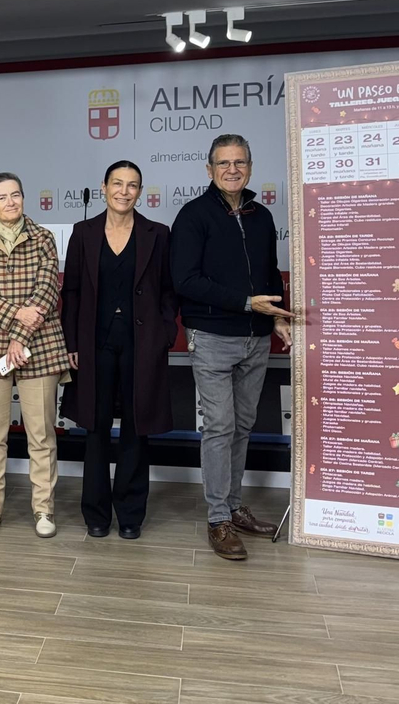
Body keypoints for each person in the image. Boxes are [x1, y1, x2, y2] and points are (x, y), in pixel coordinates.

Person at [170, 134, 290, 561]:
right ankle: (218, 519)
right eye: (223, 163)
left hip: (257, 337)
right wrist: (243, 303)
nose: (232, 169)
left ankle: (235, 506)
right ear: (209, 170)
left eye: (240, 162)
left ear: (251, 167)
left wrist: (276, 316)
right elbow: (184, 280)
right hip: (213, 337)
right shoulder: (193, 215)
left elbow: (270, 275)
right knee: (219, 427)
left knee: (242, 425)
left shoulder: (262, 215)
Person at [60, 161, 178, 539]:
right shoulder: (84, 232)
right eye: (117, 183)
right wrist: (71, 343)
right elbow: (72, 291)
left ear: (140, 192)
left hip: (141, 345)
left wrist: (162, 333)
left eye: (132, 185)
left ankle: (130, 514)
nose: (124, 191)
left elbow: (168, 291)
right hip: (94, 345)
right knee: (94, 429)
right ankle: (95, 513)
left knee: (135, 428)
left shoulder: (158, 233)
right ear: (104, 187)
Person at [0, 173, 70, 538]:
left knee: (41, 435)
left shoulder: (43, 238)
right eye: (2, 197)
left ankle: (44, 511)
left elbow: (46, 291)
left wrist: (19, 337)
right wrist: (14, 319)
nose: (11, 202)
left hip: (39, 345)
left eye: (16, 194)